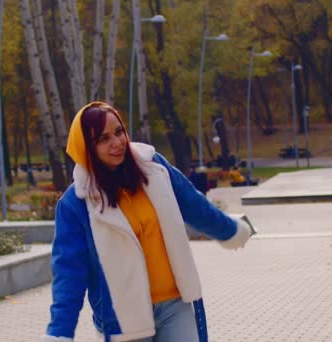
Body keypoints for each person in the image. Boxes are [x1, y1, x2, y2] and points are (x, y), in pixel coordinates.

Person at [43, 102, 253, 342]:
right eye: (103, 139)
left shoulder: (153, 168)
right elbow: (69, 271)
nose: (117, 143)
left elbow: (194, 204)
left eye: (119, 132)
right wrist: (59, 332)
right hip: (124, 318)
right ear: (86, 149)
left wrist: (230, 231)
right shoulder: (76, 203)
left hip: (176, 304)